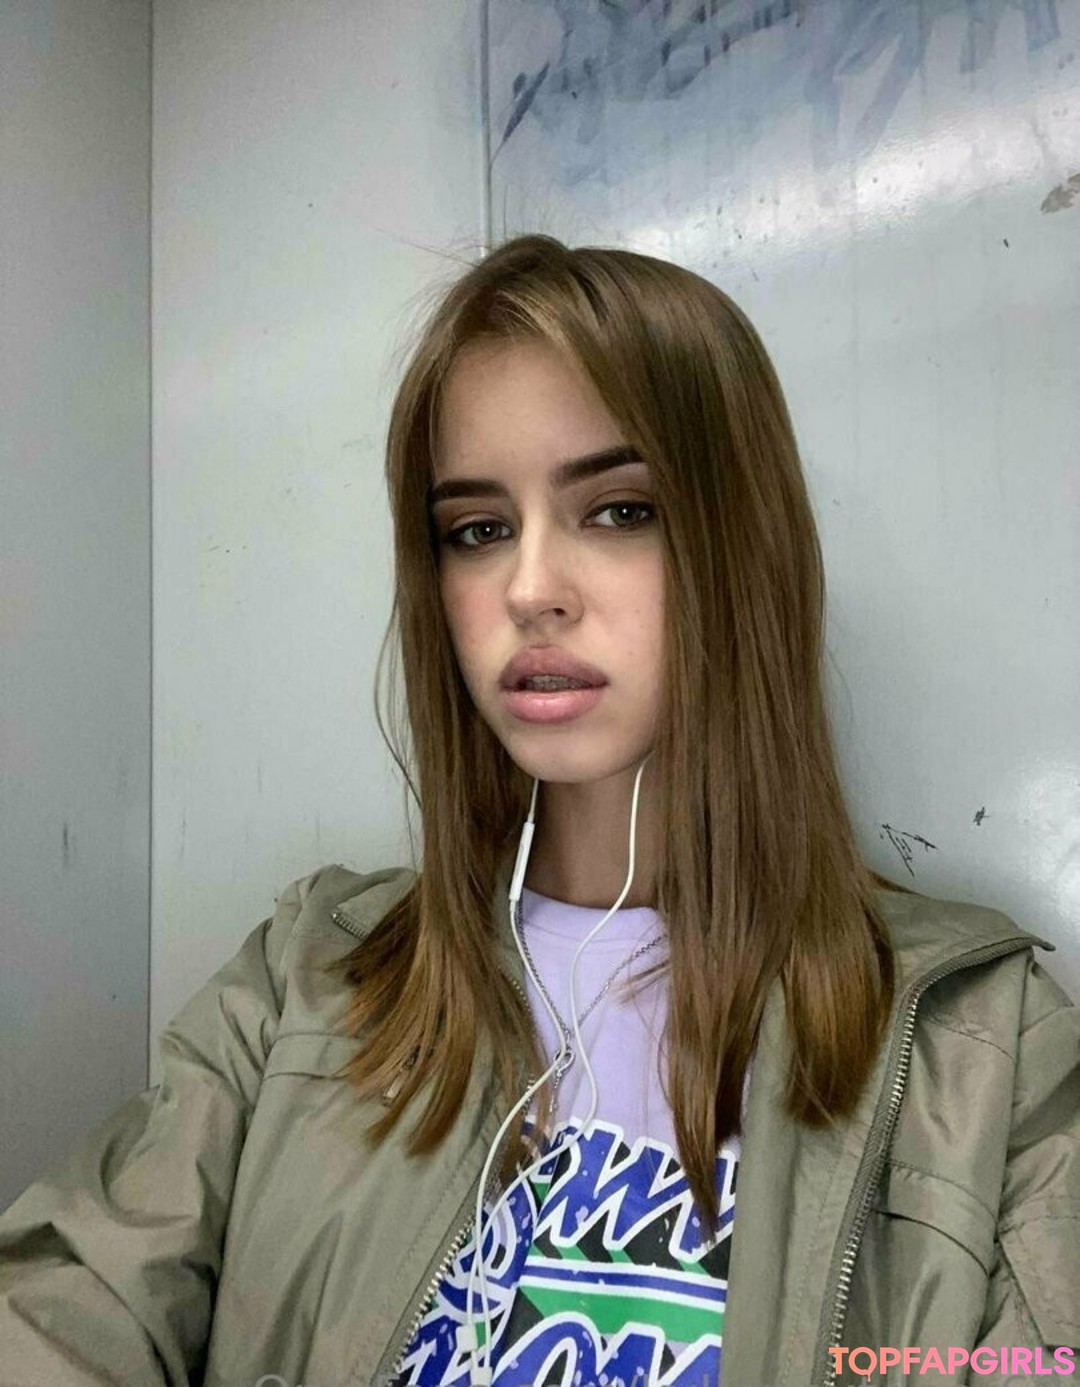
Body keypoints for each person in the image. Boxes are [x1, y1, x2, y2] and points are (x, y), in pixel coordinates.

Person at [0, 235, 1077, 1387]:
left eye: (619, 510)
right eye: (477, 529)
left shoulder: (983, 1050)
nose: (528, 589)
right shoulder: (304, 981)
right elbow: (63, 1314)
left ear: (742, 541)